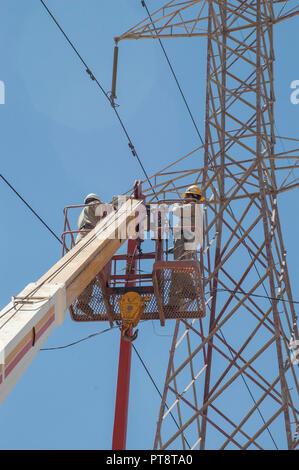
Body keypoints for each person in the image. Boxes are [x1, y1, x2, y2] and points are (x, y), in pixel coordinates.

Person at [167, 185, 204, 308]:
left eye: (187, 196)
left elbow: (177, 211)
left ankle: (191, 290)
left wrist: (176, 205)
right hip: (185, 239)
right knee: (176, 271)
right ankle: (173, 304)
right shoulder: (195, 208)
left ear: (192, 196)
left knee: (180, 266)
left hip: (185, 238)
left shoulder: (194, 206)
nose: (185, 199)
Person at [75, 193, 104, 316]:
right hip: (89, 237)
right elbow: (106, 210)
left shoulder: (83, 213)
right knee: (91, 270)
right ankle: (82, 300)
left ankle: (82, 300)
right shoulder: (93, 205)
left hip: (81, 239)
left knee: (88, 272)